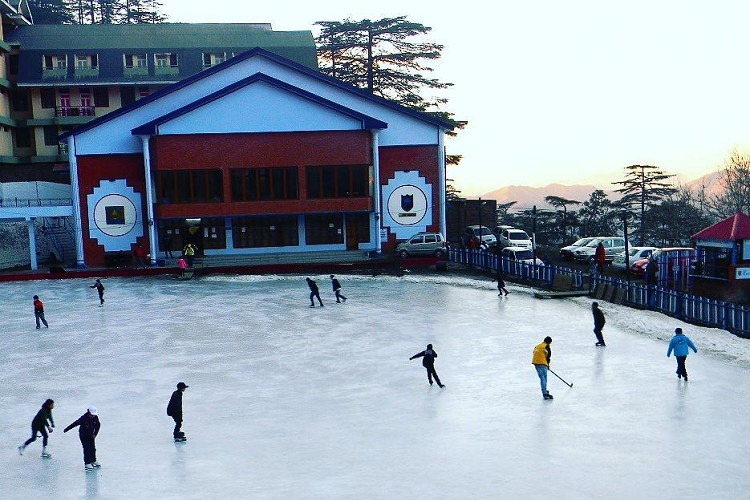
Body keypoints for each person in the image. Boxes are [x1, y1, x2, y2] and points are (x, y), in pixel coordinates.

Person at [64, 406, 101, 471]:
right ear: (88, 412)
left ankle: (93, 461)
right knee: (87, 448)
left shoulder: (95, 417)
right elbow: (75, 423)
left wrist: (95, 434)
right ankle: (87, 463)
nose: (93, 416)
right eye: (91, 415)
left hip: (91, 435)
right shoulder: (83, 418)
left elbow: (98, 425)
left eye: (93, 415)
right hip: (83, 435)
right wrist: (66, 429)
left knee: (93, 448)